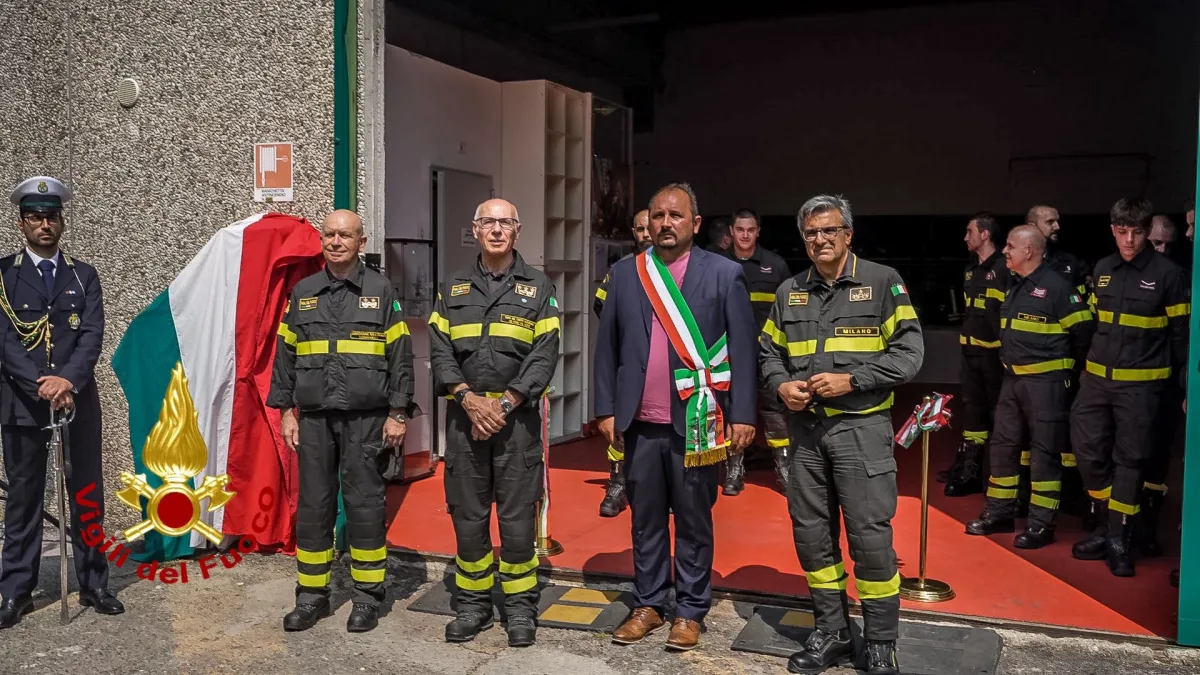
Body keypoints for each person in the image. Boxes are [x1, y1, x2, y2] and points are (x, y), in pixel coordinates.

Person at [760, 195, 922, 675]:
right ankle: (831, 631)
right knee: (812, 536)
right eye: (811, 233)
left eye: (829, 231)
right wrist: (780, 384)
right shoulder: (789, 291)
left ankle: (879, 641)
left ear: (848, 234)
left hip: (861, 429)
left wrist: (853, 380)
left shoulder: (882, 282)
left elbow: (910, 354)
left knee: (870, 537)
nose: (820, 240)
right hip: (806, 435)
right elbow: (768, 351)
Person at [595, 183, 757, 652]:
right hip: (640, 422)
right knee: (644, 520)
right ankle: (647, 603)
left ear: (696, 224)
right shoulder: (626, 274)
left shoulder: (724, 274)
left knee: (693, 520)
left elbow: (745, 351)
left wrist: (743, 414)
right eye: (659, 215)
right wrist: (605, 408)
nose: (666, 223)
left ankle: (689, 610)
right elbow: (607, 349)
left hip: (699, 421)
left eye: (676, 216)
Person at [268, 209, 417, 633]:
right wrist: (285, 412)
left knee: (365, 508)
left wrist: (398, 412)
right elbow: (285, 358)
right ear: (322, 240)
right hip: (314, 419)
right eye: (330, 234)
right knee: (313, 509)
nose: (336, 241)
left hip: (367, 420)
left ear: (361, 241)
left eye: (345, 235)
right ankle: (312, 596)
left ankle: (367, 599)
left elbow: (400, 358)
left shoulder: (381, 290)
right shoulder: (304, 292)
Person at [428, 198, 560, 647]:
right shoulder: (454, 287)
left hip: (516, 424)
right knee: (468, 516)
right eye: (489, 222)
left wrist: (502, 405)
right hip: (465, 422)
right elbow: (440, 350)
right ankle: (473, 605)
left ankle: (520, 609)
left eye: (505, 223)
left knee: (518, 519)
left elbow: (545, 356)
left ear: (517, 231)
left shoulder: (539, 288)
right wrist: (467, 400)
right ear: (475, 229)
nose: (497, 230)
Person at [0, 176, 122, 629]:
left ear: (62, 222)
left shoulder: (82, 275)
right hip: (22, 405)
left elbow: (91, 336)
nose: (45, 225)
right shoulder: (3, 275)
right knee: (24, 499)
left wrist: (66, 381)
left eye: (52, 217)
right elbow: (6, 341)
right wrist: (42, 384)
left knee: (86, 494)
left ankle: (94, 582)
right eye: (36, 218)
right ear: (22, 223)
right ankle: (16, 591)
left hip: (76, 402)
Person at [1070, 198, 1189, 578]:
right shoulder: (1103, 269)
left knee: (1130, 461)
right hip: (1096, 383)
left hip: (1141, 389)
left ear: (1146, 230)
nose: (1129, 239)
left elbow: (1181, 337)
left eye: (1137, 232)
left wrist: (1184, 388)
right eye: (1122, 231)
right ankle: (1113, 522)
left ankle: (1118, 538)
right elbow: (1093, 326)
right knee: (1086, 453)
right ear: (1113, 230)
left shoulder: (1168, 274)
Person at [964, 226, 1094, 548]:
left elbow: (1084, 335)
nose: (1004, 251)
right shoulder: (1016, 285)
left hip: (1046, 385)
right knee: (1003, 447)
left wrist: (1070, 373)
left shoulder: (1059, 288)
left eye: (1010, 247)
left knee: (1044, 455)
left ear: (1030, 251)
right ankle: (1000, 513)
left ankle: (1041, 524)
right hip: (1013, 381)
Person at [722, 208, 793, 495]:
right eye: (740, 230)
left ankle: (785, 470)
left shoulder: (775, 266)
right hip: (727, 355)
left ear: (758, 232)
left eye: (751, 230)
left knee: (775, 411)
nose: (745, 235)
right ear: (731, 232)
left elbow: (790, 310)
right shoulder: (717, 264)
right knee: (731, 412)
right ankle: (734, 471)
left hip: (767, 354)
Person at [940, 212, 1011, 498]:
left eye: (970, 232)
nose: (965, 237)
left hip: (996, 357)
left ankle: (1002, 478)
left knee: (1000, 416)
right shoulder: (971, 270)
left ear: (985, 234)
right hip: (970, 355)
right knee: (972, 411)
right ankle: (969, 471)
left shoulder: (1006, 268)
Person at [592, 209, 652, 517]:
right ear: (633, 232)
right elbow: (600, 306)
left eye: (649, 227)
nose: (646, 234)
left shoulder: (682, 269)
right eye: (640, 229)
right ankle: (617, 483)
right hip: (629, 362)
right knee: (622, 423)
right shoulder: (621, 270)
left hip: (667, 365)